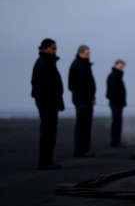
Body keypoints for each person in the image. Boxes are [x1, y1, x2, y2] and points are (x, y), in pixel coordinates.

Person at [31, 38, 65, 170]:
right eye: (52, 48)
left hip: (51, 104)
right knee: (47, 133)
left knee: (50, 133)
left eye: (55, 48)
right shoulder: (43, 63)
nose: (55, 51)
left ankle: (48, 160)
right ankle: (44, 162)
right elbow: (39, 87)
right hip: (47, 105)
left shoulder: (48, 62)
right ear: (44, 49)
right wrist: (48, 105)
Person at [68, 45, 96, 157]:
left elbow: (88, 84)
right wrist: (89, 97)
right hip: (82, 100)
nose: (88, 55)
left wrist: (92, 98)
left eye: (89, 53)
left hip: (86, 99)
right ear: (80, 53)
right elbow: (80, 85)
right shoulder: (78, 65)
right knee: (82, 125)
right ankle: (80, 150)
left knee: (86, 125)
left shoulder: (84, 65)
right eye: (86, 53)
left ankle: (85, 149)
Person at [106, 59, 126, 148]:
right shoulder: (114, 76)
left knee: (118, 122)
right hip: (115, 102)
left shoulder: (117, 75)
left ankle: (117, 141)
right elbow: (114, 91)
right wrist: (117, 100)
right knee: (116, 122)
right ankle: (115, 142)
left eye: (122, 66)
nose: (121, 67)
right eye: (120, 65)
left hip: (118, 102)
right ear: (115, 65)